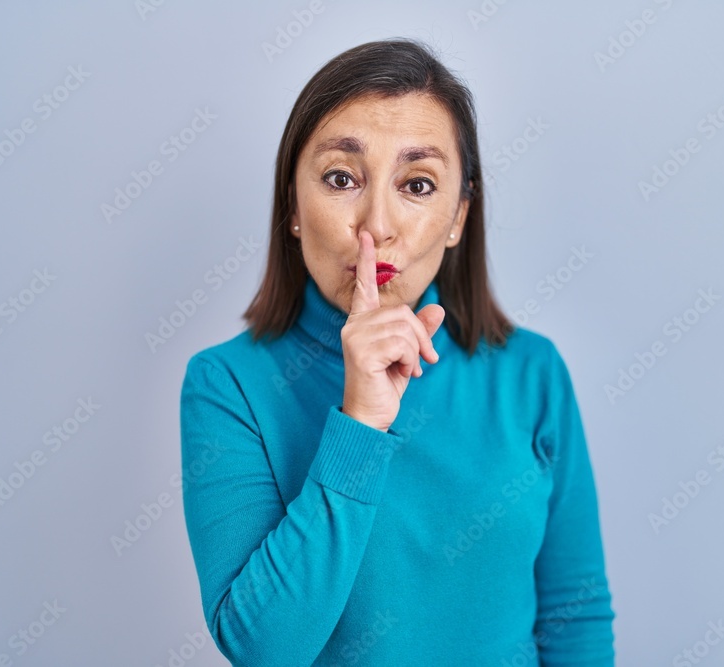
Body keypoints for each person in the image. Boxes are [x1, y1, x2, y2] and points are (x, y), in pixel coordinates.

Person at [179, 37, 615, 666]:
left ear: (458, 216)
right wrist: (360, 422)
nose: (376, 225)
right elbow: (263, 648)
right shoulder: (227, 384)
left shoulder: (532, 373)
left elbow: (576, 617)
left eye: (417, 184)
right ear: (294, 206)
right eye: (341, 178)